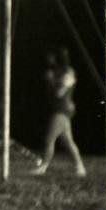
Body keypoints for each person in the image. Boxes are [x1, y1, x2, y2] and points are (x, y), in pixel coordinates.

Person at [31, 48, 86, 177]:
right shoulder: (58, 71)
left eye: (51, 57)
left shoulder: (68, 72)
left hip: (62, 109)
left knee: (49, 138)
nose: (49, 60)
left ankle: (43, 167)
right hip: (60, 108)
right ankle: (80, 168)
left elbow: (59, 92)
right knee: (67, 141)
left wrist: (50, 81)